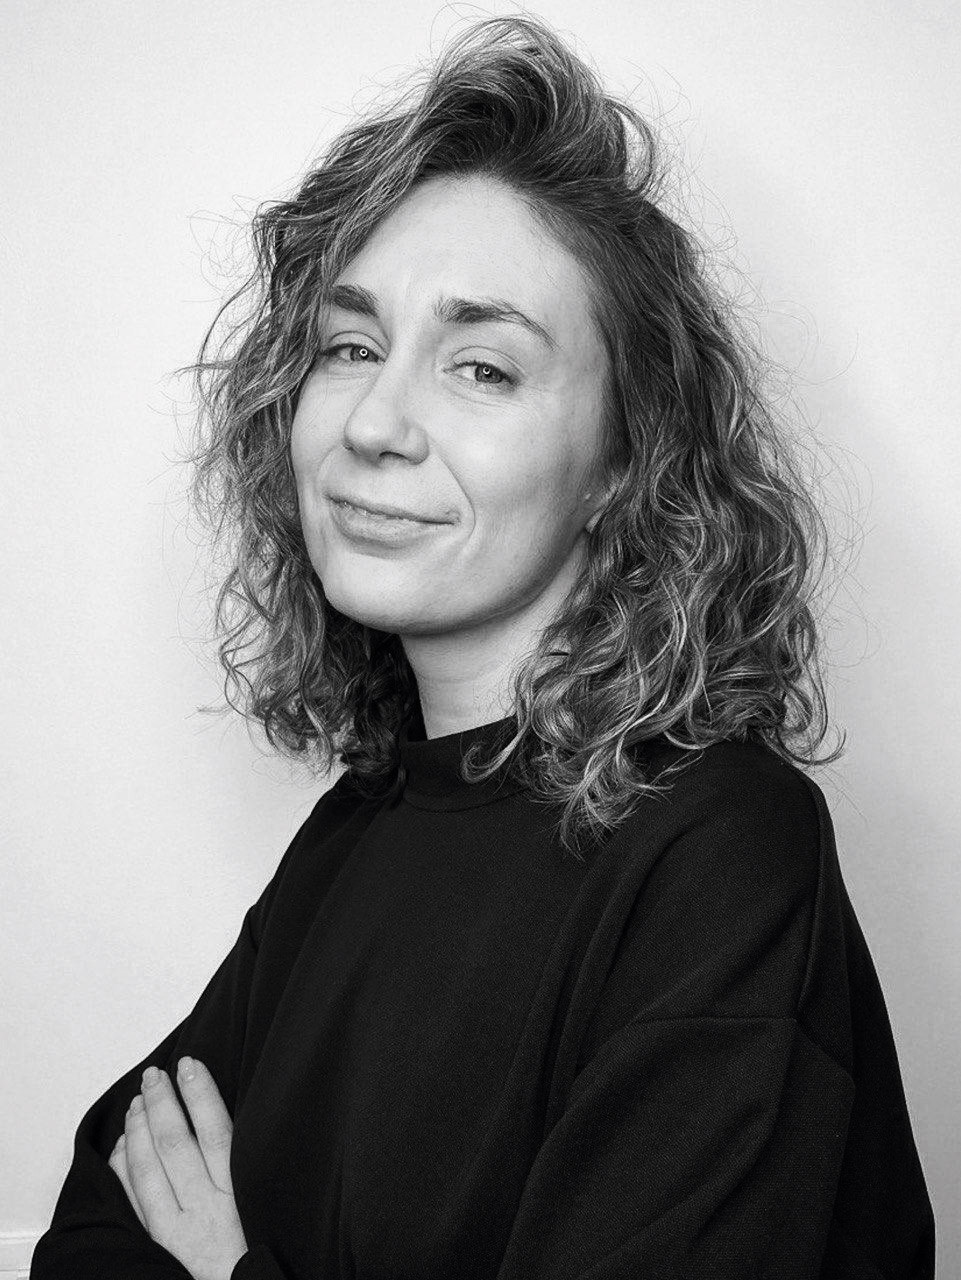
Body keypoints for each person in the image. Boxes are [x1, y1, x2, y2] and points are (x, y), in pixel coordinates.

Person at [31, 14, 935, 1280]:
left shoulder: (720, 851)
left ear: (623, 462)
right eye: (351, 346)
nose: (375, 422)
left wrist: (232, 1268)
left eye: (483, 368)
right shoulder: (355, 833)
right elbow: (98, 1214)